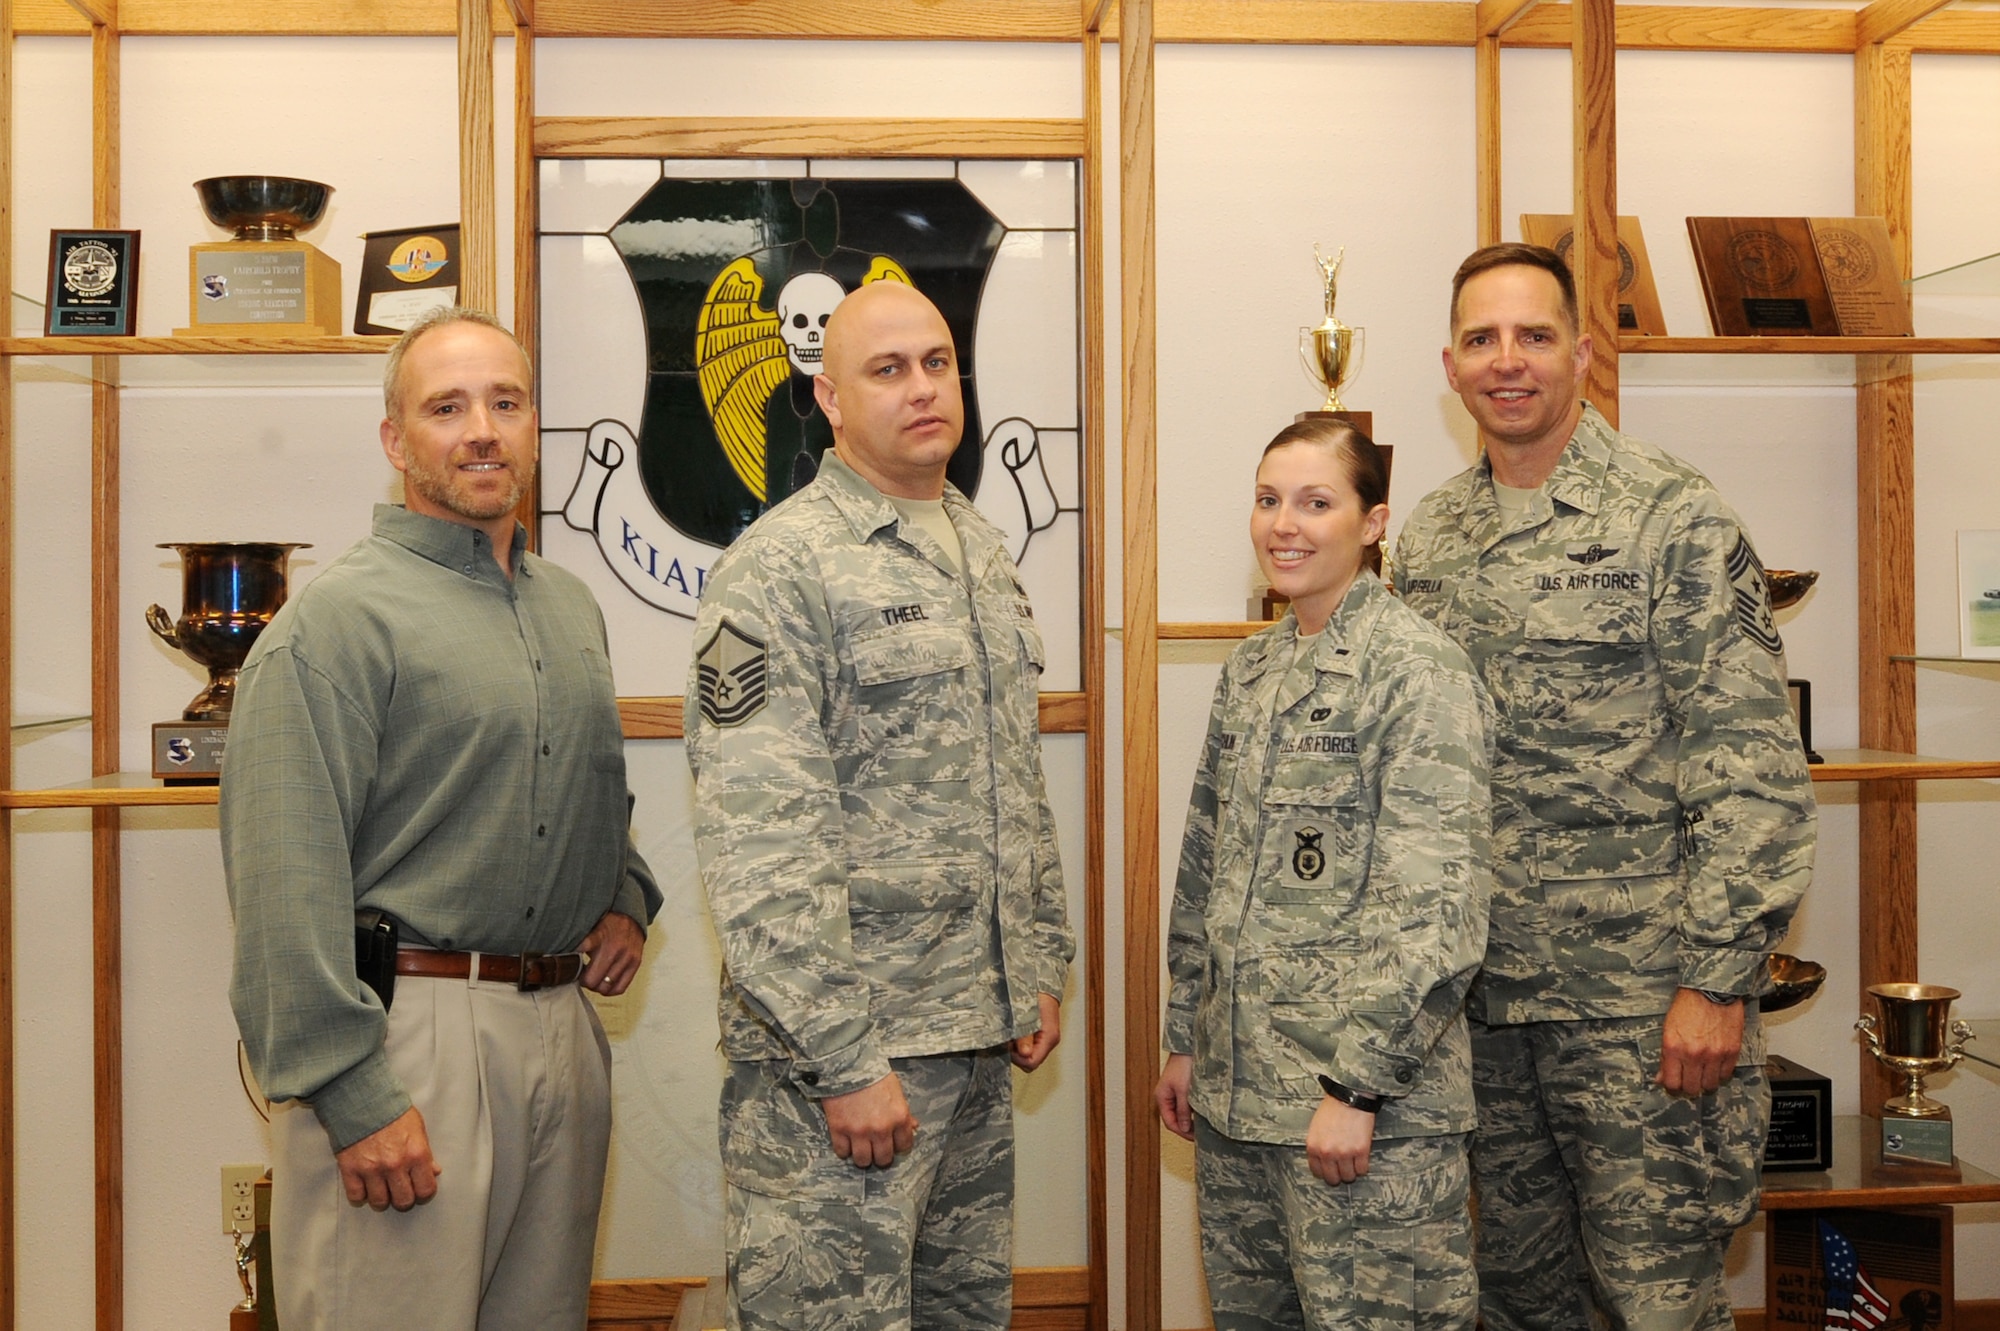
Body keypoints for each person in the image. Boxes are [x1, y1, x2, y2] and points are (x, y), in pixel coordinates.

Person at [1394, 243, 1818, 1331]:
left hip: (1639, 1009)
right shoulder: (1429, 538)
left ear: (1580, 352)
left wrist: (1718, 980)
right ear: (1449, 365)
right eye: (1481, 339)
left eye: (1533, 335)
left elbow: (1751, 765)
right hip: (1481, 1008)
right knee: (1517, 1301)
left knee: (1655, 1302)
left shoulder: (1669, 517)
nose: (1507, 362)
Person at [221, 305, 662, 1330]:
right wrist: (350, 1087)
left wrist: (623, 895)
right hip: (405, 1037)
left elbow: (588, 788)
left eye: (505, 403)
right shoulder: (332, 624)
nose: (481, 430)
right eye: (447, 406)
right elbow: (283, 879)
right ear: (395, 440)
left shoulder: (567, 607)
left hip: (558, 1029)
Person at [685, 279, 1075, 1331]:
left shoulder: (975, 546)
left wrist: (1036, 960)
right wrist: (839, 1056)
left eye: (937, 363)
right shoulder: (778, 568)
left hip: (973, 1041)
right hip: (844, 1072)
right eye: (887, 370)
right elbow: (760, 840)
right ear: (827, 397)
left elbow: (1009, 783)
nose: (921, 389)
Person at [1155, 419, 1493, 1331]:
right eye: (1269, 500)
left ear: (1373, 521)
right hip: (1239, 1113)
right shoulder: (1254, 669)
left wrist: (1357, 1087)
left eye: (1316, 501)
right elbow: (1206, 871)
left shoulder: (1418, 671)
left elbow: (1439, 910)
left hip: (1366, 1124)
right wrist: (1186, 1037)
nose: (1284, 525)